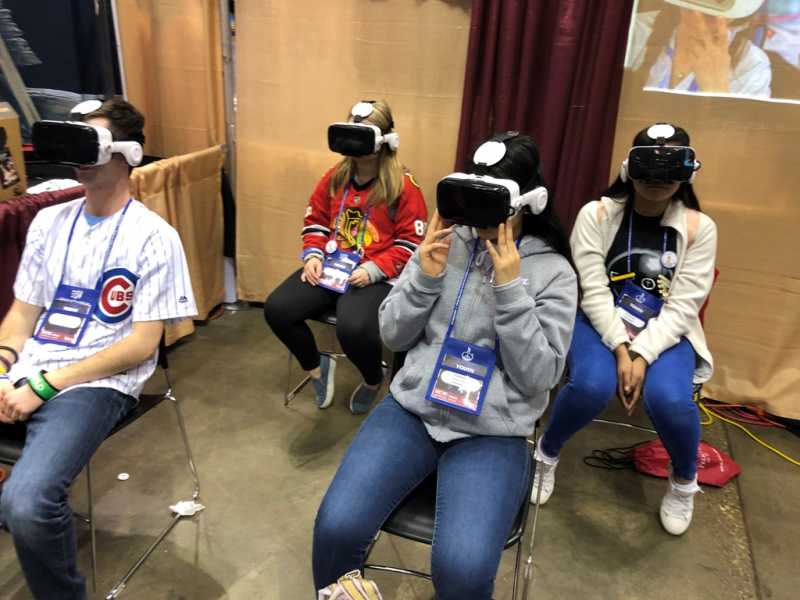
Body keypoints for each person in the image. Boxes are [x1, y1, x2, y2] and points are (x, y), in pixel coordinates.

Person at [312, 133, 577, 598]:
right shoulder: (444, 243)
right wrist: (424, 276)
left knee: (463, 569)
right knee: (336, 528)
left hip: (493, 433)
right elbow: (392, 335)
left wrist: (511, 291)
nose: (478, 215)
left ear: (526, 201)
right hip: (412, 412)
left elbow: (540, 377)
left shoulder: (553, 272)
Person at [0, 98, 197, 599]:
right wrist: (2, 364)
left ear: (127, 153)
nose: (79, 158)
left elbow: (141, 345)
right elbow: (22, 315)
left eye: (92, 144)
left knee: (26, 502)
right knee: (22, 505)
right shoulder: (48, 222)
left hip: (98, 382)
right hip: (33, 365)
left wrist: (44, 386)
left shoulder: (154, 238)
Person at [532, 123, 718, 536]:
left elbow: (685, 305)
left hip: (666, 331)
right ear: (628, 168)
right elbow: (592, 288)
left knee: (671, 400)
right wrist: (621, 349)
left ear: (688, 172)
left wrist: (643, 355)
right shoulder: (596, 215)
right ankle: (546, 453)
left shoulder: (699, 228)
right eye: (649, 168)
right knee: (590, 386)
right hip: (601, 321)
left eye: (670, 169)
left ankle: (683, 480)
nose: (658, 180)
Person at [264, 100, 427, 414]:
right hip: (332, 265)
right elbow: (315, 221)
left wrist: (375, 269)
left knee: (352, 329)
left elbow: (411, 243)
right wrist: (313, 254)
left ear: (384, 141)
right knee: (278, 309)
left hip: (375, 274)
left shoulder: (403, 186)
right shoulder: (335, 177)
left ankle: (372, 378)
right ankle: (317, 367)